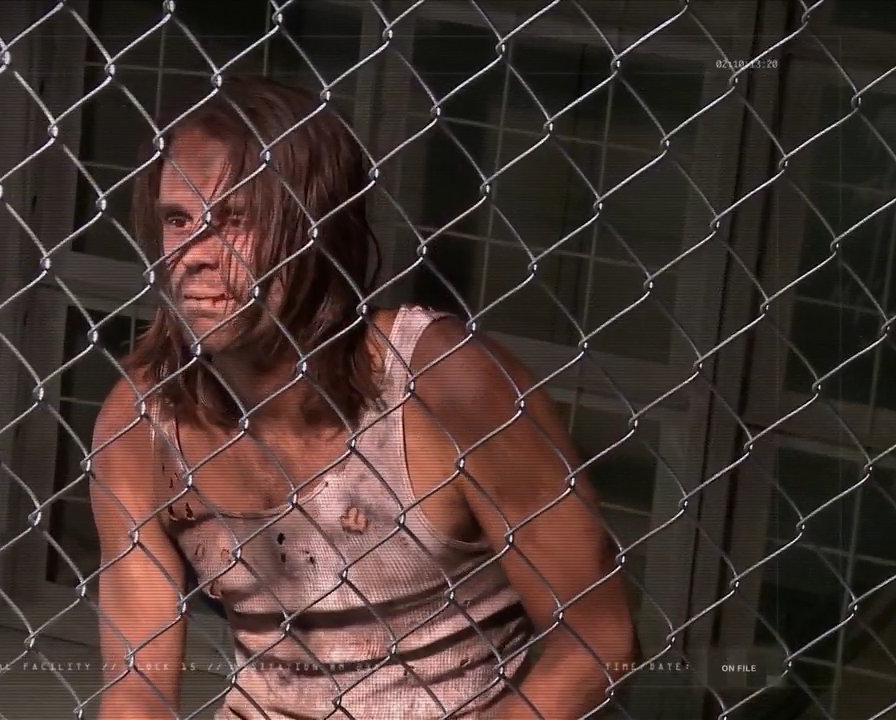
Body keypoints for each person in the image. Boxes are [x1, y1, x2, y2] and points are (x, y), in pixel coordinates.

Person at [88, 75, 636, 719]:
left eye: (236, 221)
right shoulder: (142, 422)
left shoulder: (445, 384)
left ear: (316, 231)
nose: (195, 255)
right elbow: (137, 686)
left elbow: (598, 643)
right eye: (178, 220)